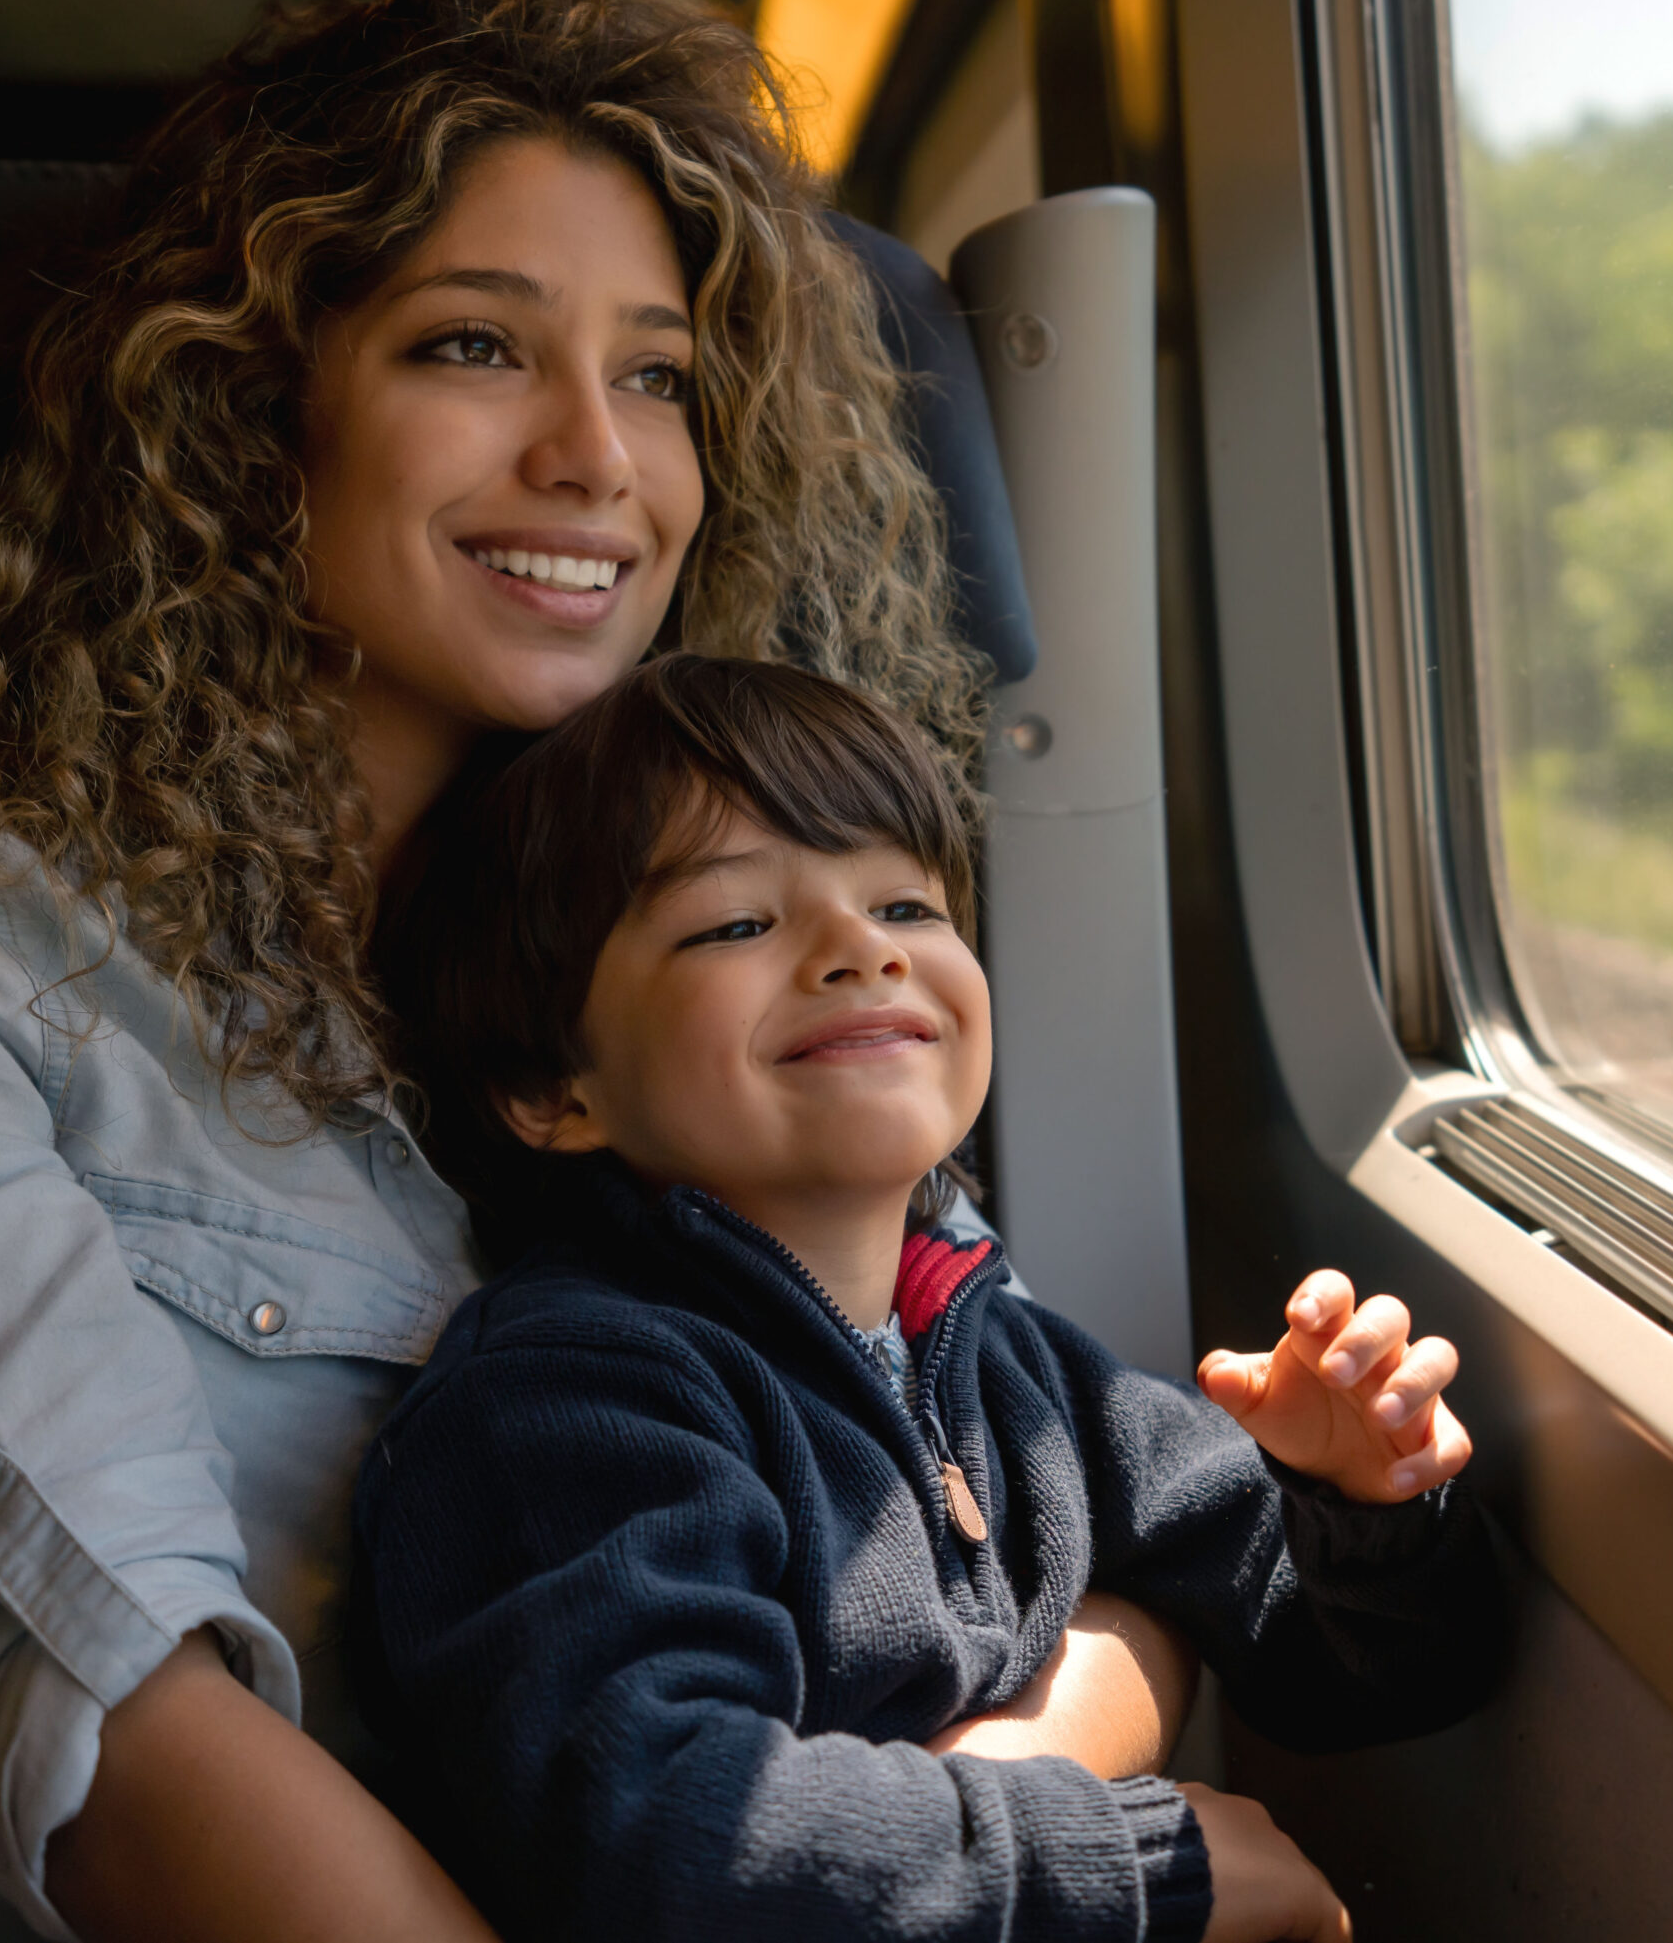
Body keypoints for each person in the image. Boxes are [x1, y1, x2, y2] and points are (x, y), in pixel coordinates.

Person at [0, 0, 1197, 1943]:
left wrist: (945, 1846)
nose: (599, 456)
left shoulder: (742, 967)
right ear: (251, 410)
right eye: (476, 345)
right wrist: (986, 1868)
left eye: (658, 374)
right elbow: (122, 1757)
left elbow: (1031, 1525)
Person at [360, 654, 1509, 1943]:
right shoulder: (569, 1401)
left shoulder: (1015, 1370)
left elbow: (1379, 1675)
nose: (859, 951)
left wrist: (1362, 1501)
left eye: (907, 905)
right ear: (553, 1088)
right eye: (736, 924)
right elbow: (664, 1836)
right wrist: (1142, 1867)